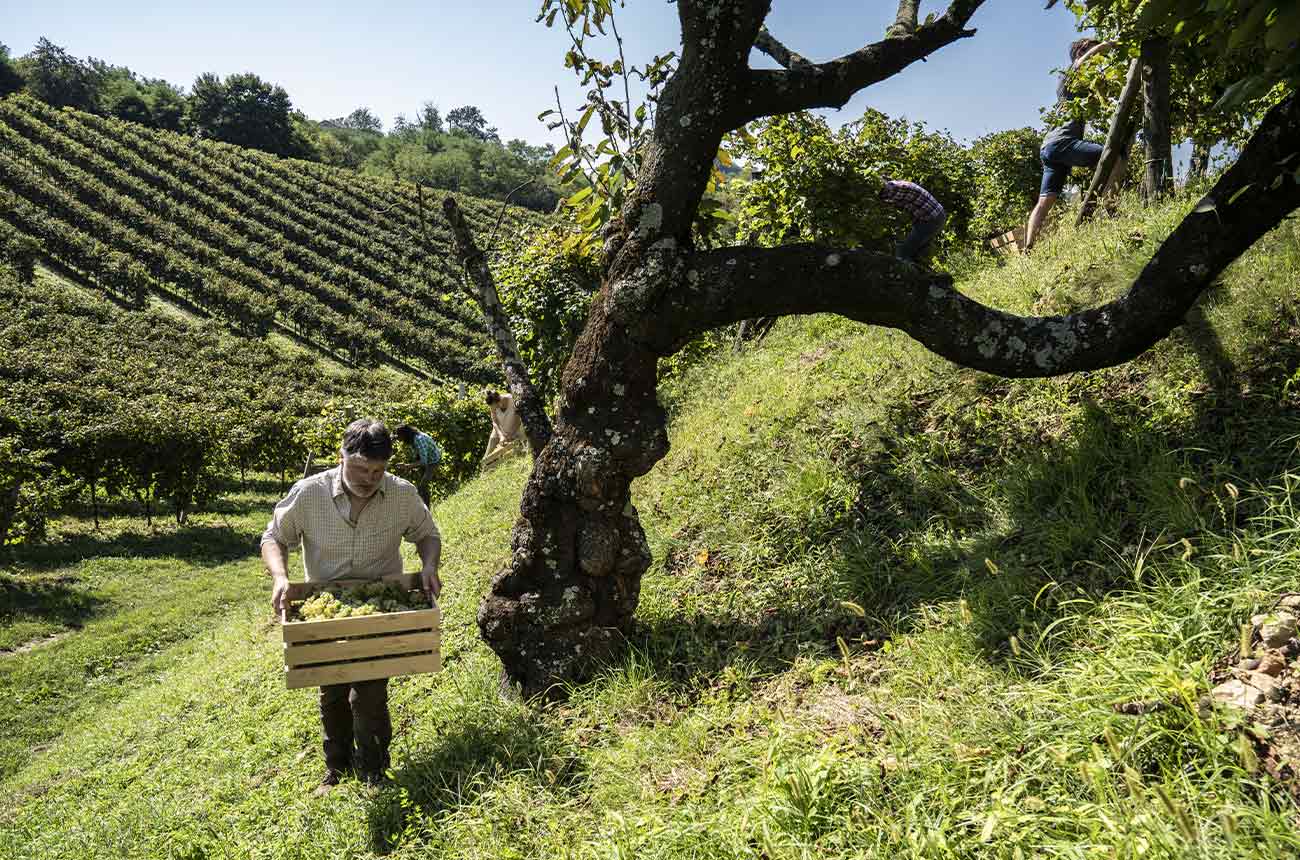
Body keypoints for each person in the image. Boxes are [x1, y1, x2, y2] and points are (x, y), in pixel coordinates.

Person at [260, 418, 442, 793]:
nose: (369, 478)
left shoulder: (402, 494)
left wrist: (428, 565)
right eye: (361, 468)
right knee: (332, 692)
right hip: (326, 610)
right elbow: (274, 537)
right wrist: (280, 577)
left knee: (370, 693)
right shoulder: (309, 494)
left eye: (378, 470)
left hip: (378, 610)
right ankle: (337, 768)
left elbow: (427, 534)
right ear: (341, 457)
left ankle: (374, 769)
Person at [1024, 38, 1118, 250]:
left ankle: (1028, 250)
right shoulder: (1072, 72)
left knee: (1044, 201)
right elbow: (1086, 60)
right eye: (1088, 49)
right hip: (1062, 142)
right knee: (1114, 157)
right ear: (1079, 52)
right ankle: (1112, 210)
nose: (1096, 56)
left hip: (1049, 147)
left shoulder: (1079, 84)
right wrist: (1110, 44)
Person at [878, 177, 947, 263]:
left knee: (903, 251)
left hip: (932, 219)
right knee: (917, 251)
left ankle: (903, 271)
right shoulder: (895, 184)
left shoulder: (895, 189)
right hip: (935, 215)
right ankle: (917, 268)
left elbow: (883, 201)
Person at [393, 424, 441, 505]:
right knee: (422, 486)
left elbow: (423, 462)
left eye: (400, 437)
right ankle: (425, 508)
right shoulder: (412, 437)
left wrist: (407, 466)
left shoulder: (419, 439)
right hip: (425, 460)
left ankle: (426, 510)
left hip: (433, 461)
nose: (400, 440)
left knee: (422, 486)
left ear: (405, 435)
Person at [481, 389, 523, 471]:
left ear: (499, 401)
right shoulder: (493, 403)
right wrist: (501, 435)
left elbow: (519, 420)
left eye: (496, 407)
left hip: (514, 430)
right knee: (487, 455)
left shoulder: (512, 400)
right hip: (499, 431)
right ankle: (484, 472)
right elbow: (495, 422)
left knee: (513, 452)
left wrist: (511, 435)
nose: (495, 409)